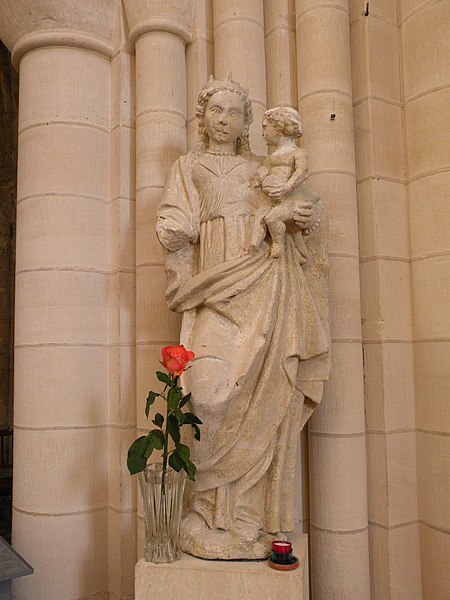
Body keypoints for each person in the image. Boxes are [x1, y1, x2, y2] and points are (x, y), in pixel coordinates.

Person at [156, 74, 330, 559]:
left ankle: (244, 518)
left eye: (234, 111)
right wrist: (173, 227)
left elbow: (297, 210)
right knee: (209, 396)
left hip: (261, 282)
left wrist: (305, 219)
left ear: (247, 121)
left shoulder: (261, 168)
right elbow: (174, 215)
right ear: (203, 116)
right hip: (215, 283)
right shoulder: (187, 166)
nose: (224, 119)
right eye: (217, 110)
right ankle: (206, 507)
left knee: (260, 386)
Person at [249, 106, 315, 259]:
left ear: (278, 127)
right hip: (272, 198)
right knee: (259, 217)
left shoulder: (297, 153)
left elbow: (302, 172)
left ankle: (278, 243)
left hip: (289, 198)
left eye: (266, 127)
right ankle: (253, 245)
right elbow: (265, 169)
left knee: (272, 218)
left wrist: (286, 188)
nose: (263, 133)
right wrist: (257, 177)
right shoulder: (271, 157)